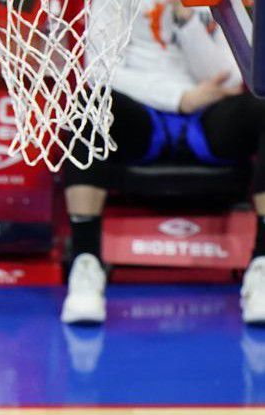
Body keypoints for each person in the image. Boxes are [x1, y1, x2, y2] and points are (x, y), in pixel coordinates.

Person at [61, 0, 265, 324]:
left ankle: (262, 266)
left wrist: (186, 22)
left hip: (207, 115)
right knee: (89, 108)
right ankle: (86, 265)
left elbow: (230, 75)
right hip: (143, 112)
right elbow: (99, 70)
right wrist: (178, 99)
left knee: (263, 111)